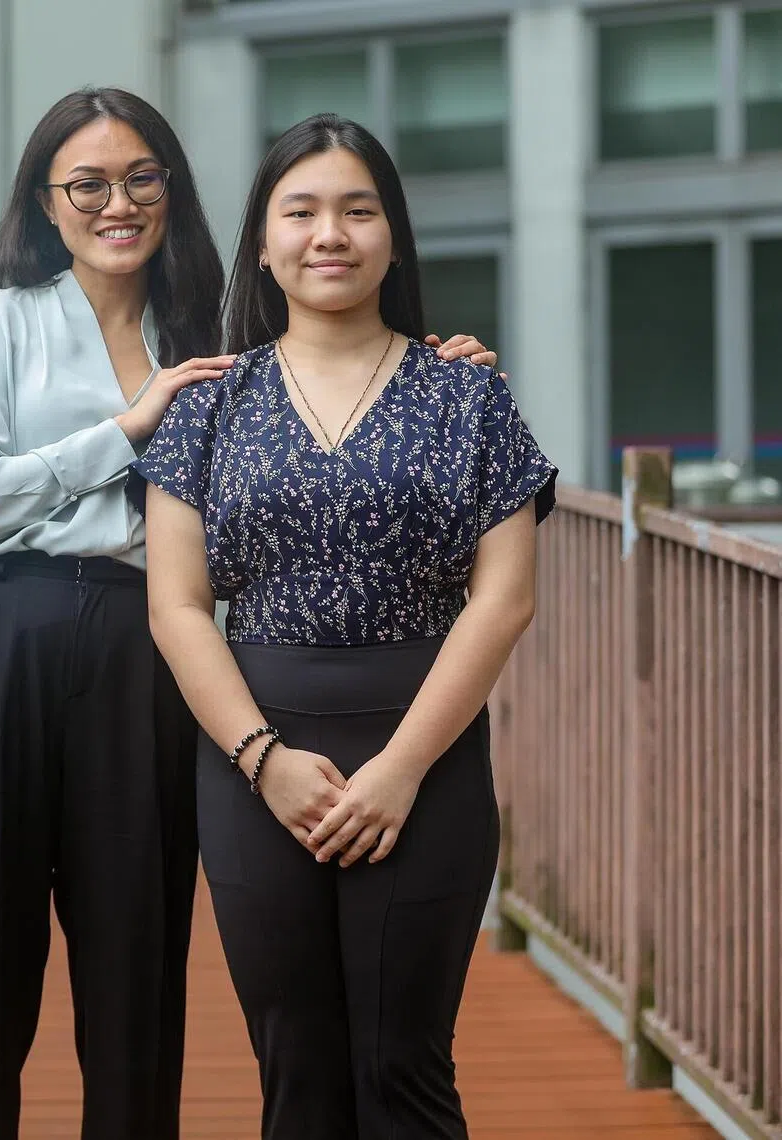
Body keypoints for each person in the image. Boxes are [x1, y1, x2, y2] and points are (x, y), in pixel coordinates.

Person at [0, 85, 500, 1140]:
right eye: (87, 183)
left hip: (146, 648)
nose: (118, 203)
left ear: (174, 192)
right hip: (3, 629)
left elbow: (321, 386)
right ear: (46, 202)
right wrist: (126, 430)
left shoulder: (210, 333)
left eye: (142, 178)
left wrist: (439, 372)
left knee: (137, 966)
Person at [132, 112, 558, 1140]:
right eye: (303, 211)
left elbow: (505, 599)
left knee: (403, 1066)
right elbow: (178, 605)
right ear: (266, 244)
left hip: (428, 752)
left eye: (357, 210)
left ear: (393, 238)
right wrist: (261, 757)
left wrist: (403, 768)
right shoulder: (209, 405)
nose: (331, 233)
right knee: (297, 1071)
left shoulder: (468, 393)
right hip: (253, 760)